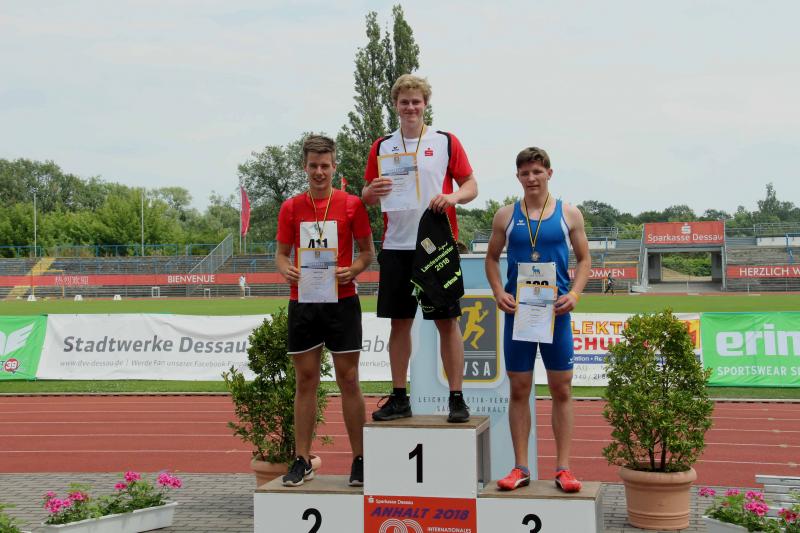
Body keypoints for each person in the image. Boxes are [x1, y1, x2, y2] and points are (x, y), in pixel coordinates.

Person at [362, 74, 478, 423]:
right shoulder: (382, 146)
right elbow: (366, 195)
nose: (410, 107)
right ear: (395, 105)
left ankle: (456, 398)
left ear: (426, 104)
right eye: (404, 102)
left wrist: (453, 197)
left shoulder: (445, 141)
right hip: (396, 245)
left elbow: (471, 185)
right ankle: (400, 398)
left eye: (416, 101)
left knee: (447, 322)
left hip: (435, 245)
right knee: (399, 324)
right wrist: (372, 191)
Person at [484, 146, 591, 492]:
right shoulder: (505, 215)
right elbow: (491, 258)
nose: (531, 178)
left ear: (549, 174)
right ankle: (521, 467)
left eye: (537, 172)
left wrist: (575, 294)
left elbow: (585, 259)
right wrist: (498, 291)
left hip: (555, 313)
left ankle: (563, 469)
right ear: (518, 176)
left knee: (562, 388)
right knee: (519, 388)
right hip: (520, 314)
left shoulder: (569, 214)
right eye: (525, 173)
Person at [276, 134, 374, 487]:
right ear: (304, 167)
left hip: (342, 301)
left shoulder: (351, 205)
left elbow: (368, 252)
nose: (319, 172)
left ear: (334, 166)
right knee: (306, 381)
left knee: (349, 379)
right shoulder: (291, 207)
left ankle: (360, 459)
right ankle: (302, 459)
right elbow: (281, 254)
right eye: (313, 166)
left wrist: (354, 269)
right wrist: (285, 269)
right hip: (303, 301)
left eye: (325, 166)